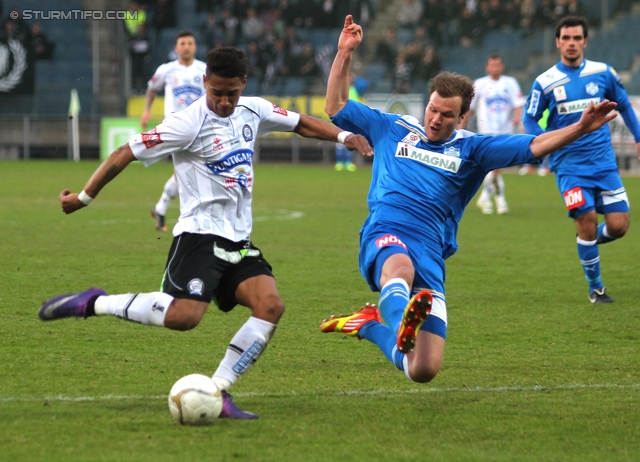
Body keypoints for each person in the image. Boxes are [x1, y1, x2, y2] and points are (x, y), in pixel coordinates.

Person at [38, 47, 373, 418]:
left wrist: (344, 138)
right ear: (204, 83)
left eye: (232, 92)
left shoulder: (254, 109)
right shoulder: (186, 123)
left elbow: (301, 123)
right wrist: (84, 197)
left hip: (239, 240)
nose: (225, 101)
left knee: (271, 305)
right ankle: (94, 302)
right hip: (197, 237)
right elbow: (125, 152)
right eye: (217, 93)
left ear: (243, 84)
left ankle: (217, 390)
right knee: (185, 318)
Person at [319, 15, 617, 384]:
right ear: (426, 104)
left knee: (422, 370)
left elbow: (535, 145)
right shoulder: (392, 127)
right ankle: (398, 321)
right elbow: (335, 106)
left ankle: (369, 324)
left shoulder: (474, 149)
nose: (435, 119)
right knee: (399, 269)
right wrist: (344, 52)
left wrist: (581, 127)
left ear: (462, 118)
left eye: (446, 115)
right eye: (432, 109)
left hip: (431, 248)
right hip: (387, 227)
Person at [523, 16, 640, 303]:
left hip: (604, 164)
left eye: (577, 38)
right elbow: (529, 118)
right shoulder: (546, 82)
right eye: (566, 38)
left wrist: (639, 137)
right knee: (586, 218)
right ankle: (596, 287)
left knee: (619, 226)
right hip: (569, 166)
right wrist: (546, 144)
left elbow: (623, 103)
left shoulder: (603, 73)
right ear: (558, 42)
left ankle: (585, 241)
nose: (571, 43)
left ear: (585, 41)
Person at [142, 31, 207, 232]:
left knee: (187, 170)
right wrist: (146, 111)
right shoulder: (167, 70)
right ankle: (189, 215)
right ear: (176, 48)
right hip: (175, 127)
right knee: (190, 170)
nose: (186, 46)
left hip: (199, 127)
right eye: (182, 43)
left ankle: (161, 208)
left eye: (190, 43)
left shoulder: (204, 69)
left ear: (194, 47)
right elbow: (152, 88)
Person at [459, 54, 525, 215]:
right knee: (495, 166)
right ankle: (499, 200)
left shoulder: (510, 83)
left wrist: (518, 119)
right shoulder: (480, 84)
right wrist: (462, 125)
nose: (495, 68)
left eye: (498, 65)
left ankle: (485, 196)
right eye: (492, 65)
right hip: (486, 130)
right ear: (487, 67)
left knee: (496, 167)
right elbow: (471, 107)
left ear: (502, 66)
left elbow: (518, 104)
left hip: (505, 129)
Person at [335, 72, 365, 171]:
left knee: (350, 139)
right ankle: (339, 162)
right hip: (342, 117)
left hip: (352, 119)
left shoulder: (354, 89)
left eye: (350, 78)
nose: (349, 80)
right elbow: (329, 82)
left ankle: (348, 163)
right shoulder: (340, 88)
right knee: (340, 140)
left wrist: (355, 78)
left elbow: (364, 84)